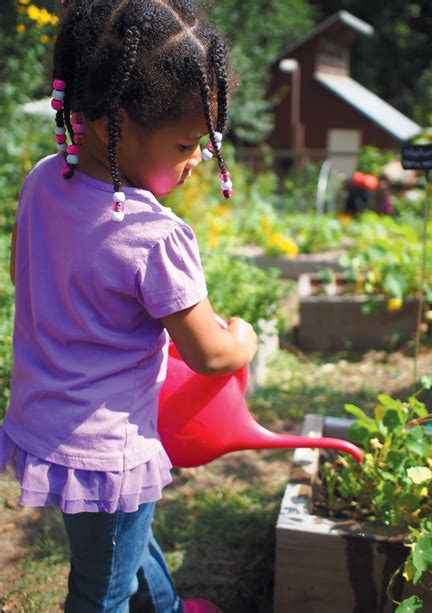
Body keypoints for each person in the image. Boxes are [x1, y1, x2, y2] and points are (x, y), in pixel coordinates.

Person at [1, 1, 258, 611]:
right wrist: (245, 335)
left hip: (49, 417)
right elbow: (212, 353)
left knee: (125, 547)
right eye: (188, 143)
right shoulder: (153, 236)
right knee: (101, 588)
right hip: (108, 449)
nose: (197, 158)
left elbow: (25, 273)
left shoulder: (43, 178)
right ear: (117, 119)